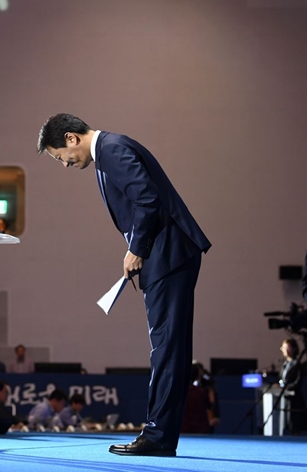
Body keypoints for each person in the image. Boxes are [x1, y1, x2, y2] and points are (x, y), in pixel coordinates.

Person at [38, 113, 211, 456]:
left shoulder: (112, 149)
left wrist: (137, 249)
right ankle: (162, 436)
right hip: (169, 255)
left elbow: (147, 199)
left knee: (166, 349)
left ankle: (158, 437)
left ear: (71, 138)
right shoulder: (110, 150)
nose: (65, 165)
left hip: (168, 255)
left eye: (61, 157)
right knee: (170, 348)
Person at [277, 338, 306, 435]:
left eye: (286, 347)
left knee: (295, 425)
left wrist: (287, 387)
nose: (284, 349)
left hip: (295, 401)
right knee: (288, 425)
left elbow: (297, 382)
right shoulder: (285, 364)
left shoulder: (297, 365)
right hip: (285, 399)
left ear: (293, 349)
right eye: (283, 347)